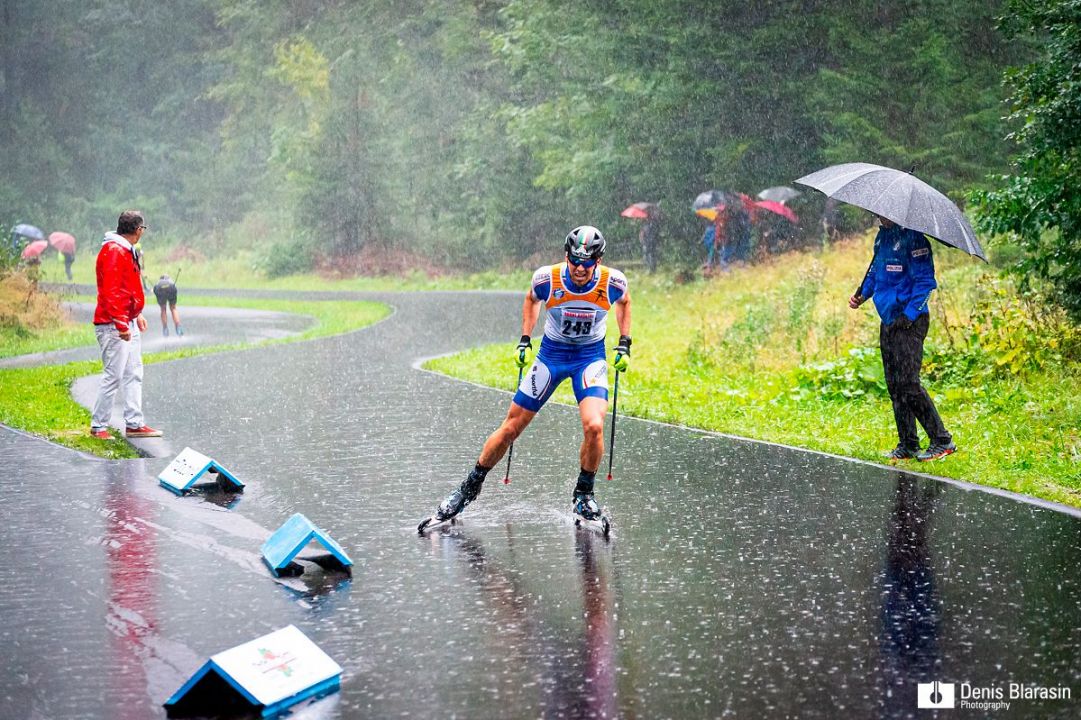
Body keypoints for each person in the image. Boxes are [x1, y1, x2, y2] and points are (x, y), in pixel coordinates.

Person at [431, 225, 632, 523]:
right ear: (566, 256)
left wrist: (624, 343)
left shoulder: (613, 282)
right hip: (551, 356)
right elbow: (531, 299)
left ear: (598, 261)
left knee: (594, 426)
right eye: (574, 261)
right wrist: (525, 339)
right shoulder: (547, 278)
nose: (579, 268)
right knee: (511, 427)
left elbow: (624, 302)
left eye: (587, 263)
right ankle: (468, 488)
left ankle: (584, 495)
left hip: (589, 358)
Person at [849, 216, 954, 461]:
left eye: (883, 214)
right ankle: (908, 444)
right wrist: (862, 295)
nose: (879, 216)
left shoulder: (915, 239)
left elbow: (926, 283)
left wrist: (908, 316)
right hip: (888, 319)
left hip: (910, 321)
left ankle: (942, 440)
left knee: (908, 383)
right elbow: (875, 274)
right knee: (895, 386)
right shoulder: (882, 237)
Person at [89, 210, 162, 440]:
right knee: (114, 375)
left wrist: (136, 314)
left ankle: (134, 423)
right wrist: (121, 323)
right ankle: (98, 426)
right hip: (113, 324)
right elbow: (111, 291)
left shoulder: (124, 249)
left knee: (133, 373)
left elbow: (127, 287)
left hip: (127, 320)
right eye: (143, 228)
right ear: (138, 230)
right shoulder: (115, 250)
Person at [638, 204, 660, 273]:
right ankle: (651, 268)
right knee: (650, 254)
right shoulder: (651, 221)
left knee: (649, 254)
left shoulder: (650, 222)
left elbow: (645, 232)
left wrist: (643, 236)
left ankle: (651, 268)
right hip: (650, 240)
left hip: (649, 241)